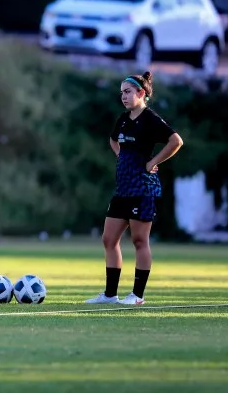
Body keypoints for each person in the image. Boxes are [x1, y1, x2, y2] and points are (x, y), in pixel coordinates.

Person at [85, 71, 183, 306]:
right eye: (121, 93)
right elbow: (113, 140)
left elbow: (176, 141)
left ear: (141, 93)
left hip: (142, 189)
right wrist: (122, 157)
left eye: (127, 92)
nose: (124, 97)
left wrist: (153, 162)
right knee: (109, 239)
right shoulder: (123, 119)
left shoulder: (151, 119)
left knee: (139, 241)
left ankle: (137, 296)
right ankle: (110, 295)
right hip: (123, 190)